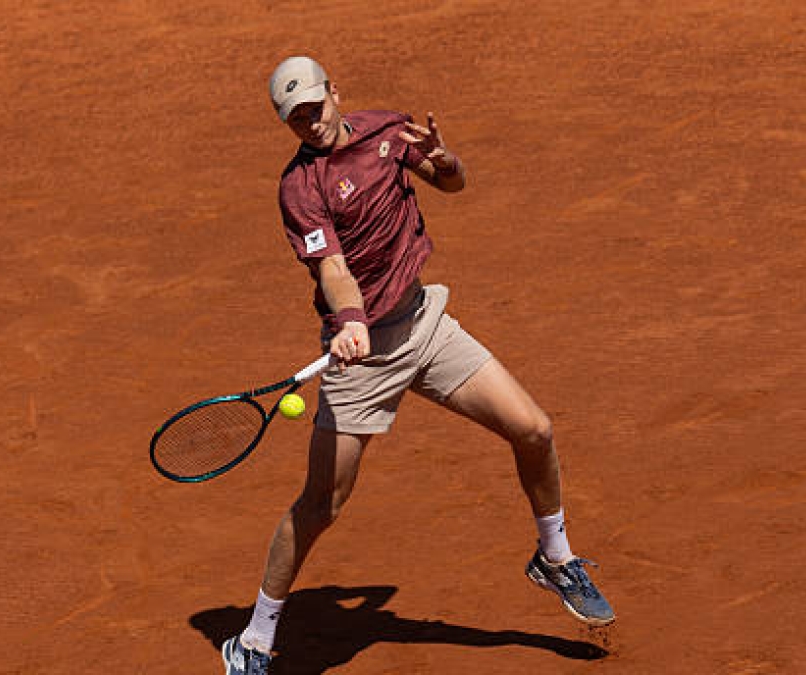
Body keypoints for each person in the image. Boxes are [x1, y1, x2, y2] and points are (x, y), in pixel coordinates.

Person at [221, 55, 614, 675]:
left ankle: (556, 557)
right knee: (322, 505)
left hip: (426, 324)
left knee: (534, 429)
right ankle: (254, 640)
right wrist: (350, 321)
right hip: (362, 355)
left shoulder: (388, 132)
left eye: (315, 108)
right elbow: (333, 268)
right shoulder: (300, 188)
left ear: (335, 94)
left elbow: (452, 182)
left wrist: (443, 159)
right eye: (295, 119)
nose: (310, 123)